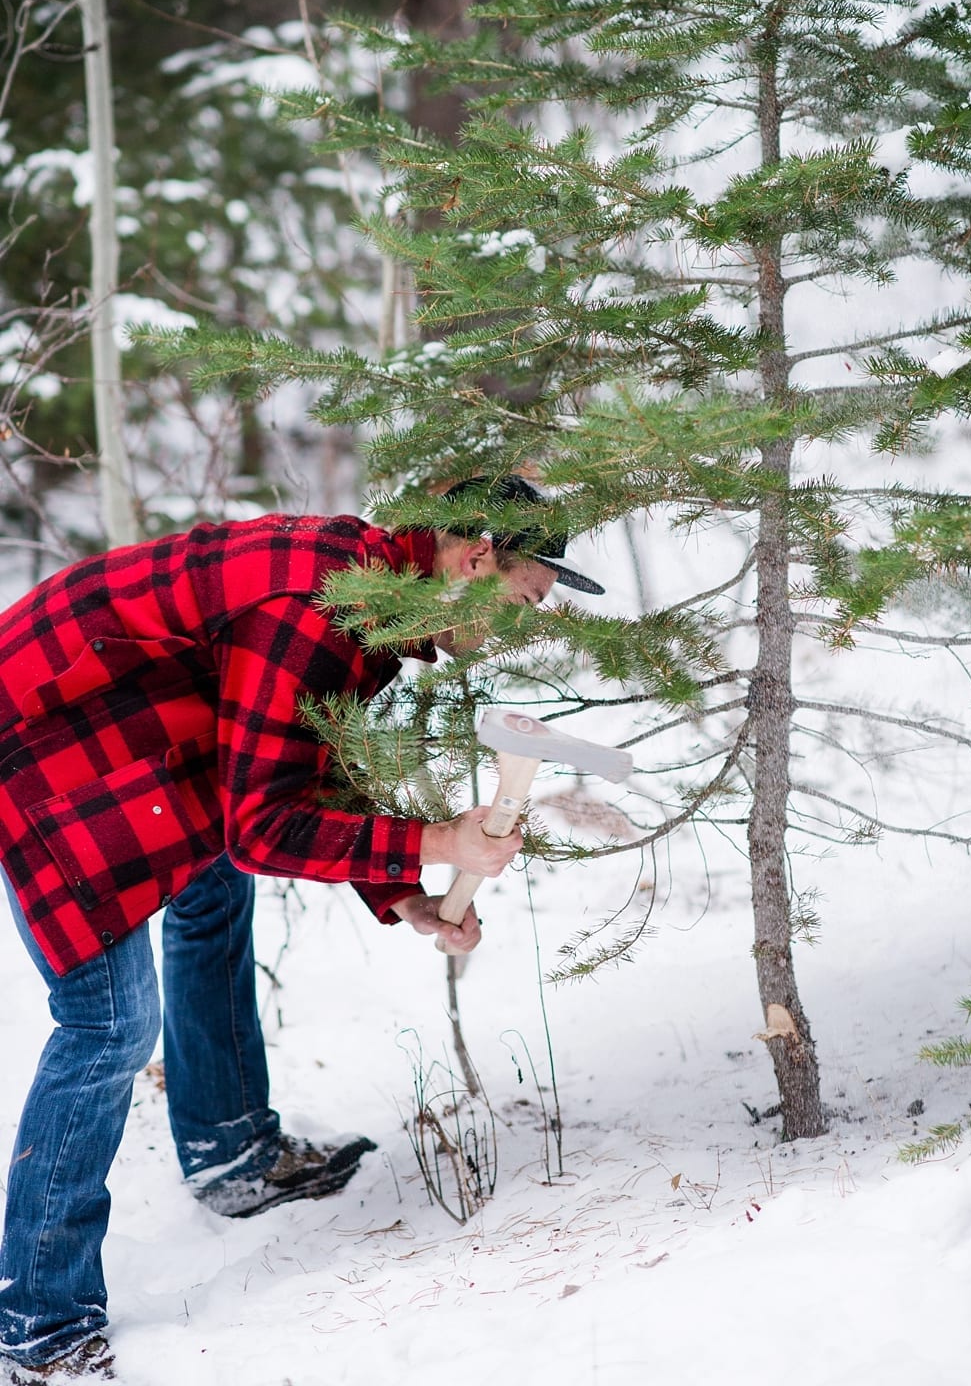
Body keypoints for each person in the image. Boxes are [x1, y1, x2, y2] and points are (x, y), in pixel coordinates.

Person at [0, 475, 604, 1384]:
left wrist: (399, 890)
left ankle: (230, 1150)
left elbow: (292, 761)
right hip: (44, 739)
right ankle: (36, 1322)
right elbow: (261, 826)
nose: (517, 625)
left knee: (212, 889)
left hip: (140, 728)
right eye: (523, 599)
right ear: (477, 559)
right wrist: (436, 839)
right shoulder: (319, 608)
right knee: (109, 1022)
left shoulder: (367, 595)